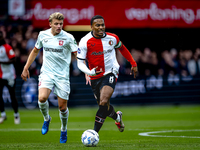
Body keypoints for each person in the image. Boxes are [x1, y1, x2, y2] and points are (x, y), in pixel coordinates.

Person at [21, 12, 77, 143]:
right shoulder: (42, 35)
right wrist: (26, 67)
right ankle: (47, 119)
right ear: (50, 24)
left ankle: (63, 130)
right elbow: (35, 51)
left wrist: (86, 70)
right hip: (46, 73)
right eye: (56, 24)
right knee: (41, 98)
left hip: (62, 75)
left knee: (62, 107)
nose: (59, 26)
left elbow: (78, 54)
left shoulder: (68, 37)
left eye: (61, 24)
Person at [77, 15, 138, 133]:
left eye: (102, 25)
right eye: (97, 25)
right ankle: (117, 117)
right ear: (91, 27)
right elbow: (80, 63)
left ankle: (94, 133)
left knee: (103, 101)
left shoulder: (112, 38)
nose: (101, 27)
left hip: (111, 72)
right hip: (94, 76)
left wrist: (133, 63)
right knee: (104, 106)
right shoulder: (85, 41)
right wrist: (89, 72)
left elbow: (122, 48)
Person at [0, 31, 20, 124]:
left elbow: (13, 59)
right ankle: (3, 114)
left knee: (12, 95)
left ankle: (16, 115)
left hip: (10, 75)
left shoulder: (7, 47)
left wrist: (1, 62)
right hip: (1, 75)